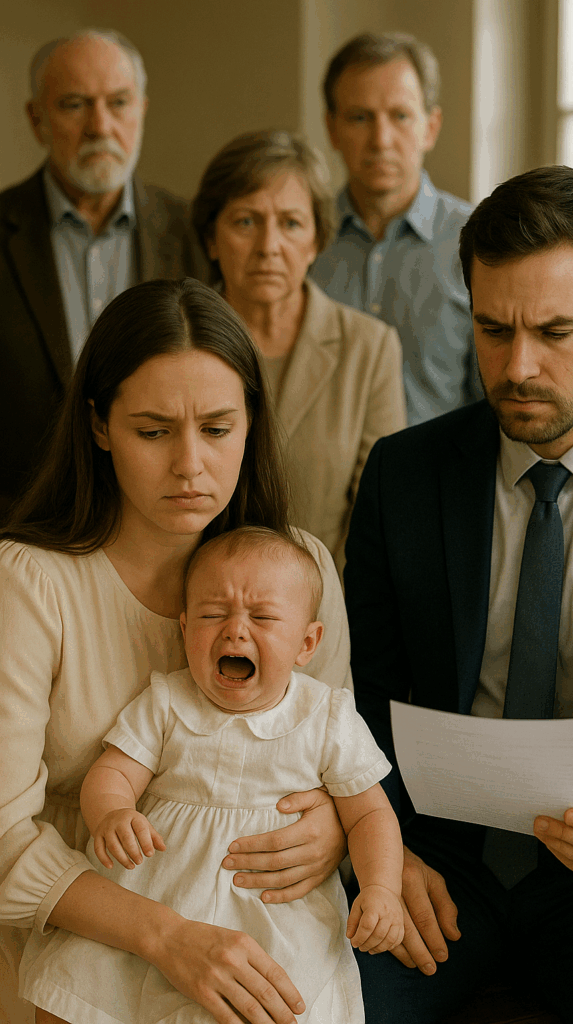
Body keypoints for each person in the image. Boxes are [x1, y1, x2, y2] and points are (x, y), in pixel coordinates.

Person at [344, 166, 573, 1023]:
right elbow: (359, 700)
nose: (516, 366)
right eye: (492, 330)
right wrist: (381, 849)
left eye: (554, 331)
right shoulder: (403, 475)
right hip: (437, 861)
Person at [0, 278, 353, 1024]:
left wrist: (329, 829)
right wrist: (167, 937)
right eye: (154, 431)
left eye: (218, 429)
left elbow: (328, 752)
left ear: (251, 424)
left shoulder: (305, 572)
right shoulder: (29, 583)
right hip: (67, 933)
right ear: (99, 426)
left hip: (256, 926)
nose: (190, 464)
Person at [20, 526, 404, 1024]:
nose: (236, 630)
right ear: (183, 630)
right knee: (83, 992)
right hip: (153, 890)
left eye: (262, 617)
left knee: (270, 1001)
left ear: (307, 643)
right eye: (212, 614)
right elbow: (115, 771)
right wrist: (111, 811)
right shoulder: (167, 701)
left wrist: (381, 888)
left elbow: (371, 813)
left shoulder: (326, 716)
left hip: (269, 913)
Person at [0, 29, 207, 512]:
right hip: (20, 531)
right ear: (37, 119)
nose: (100, 125)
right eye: (75, 104)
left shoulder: (194, 232)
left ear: (142, 110)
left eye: (118, 103)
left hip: (161, 525)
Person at [192, 130, 406, 574]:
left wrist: (311, 610)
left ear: (315, 241)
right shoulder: (176, 344)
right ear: (212, 239)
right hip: (188, 605)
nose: (268, 246)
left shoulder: (369, 347)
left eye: (290, 223)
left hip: (324, 610)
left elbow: (376, 515)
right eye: (245, 222)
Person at [309, 31, 477, 427]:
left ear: (430, 127)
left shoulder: (477, 242)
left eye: (400, 116)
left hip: (442, 482)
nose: (380, 140)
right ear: (332, 129)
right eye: (359, 118)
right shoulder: (302, 240)